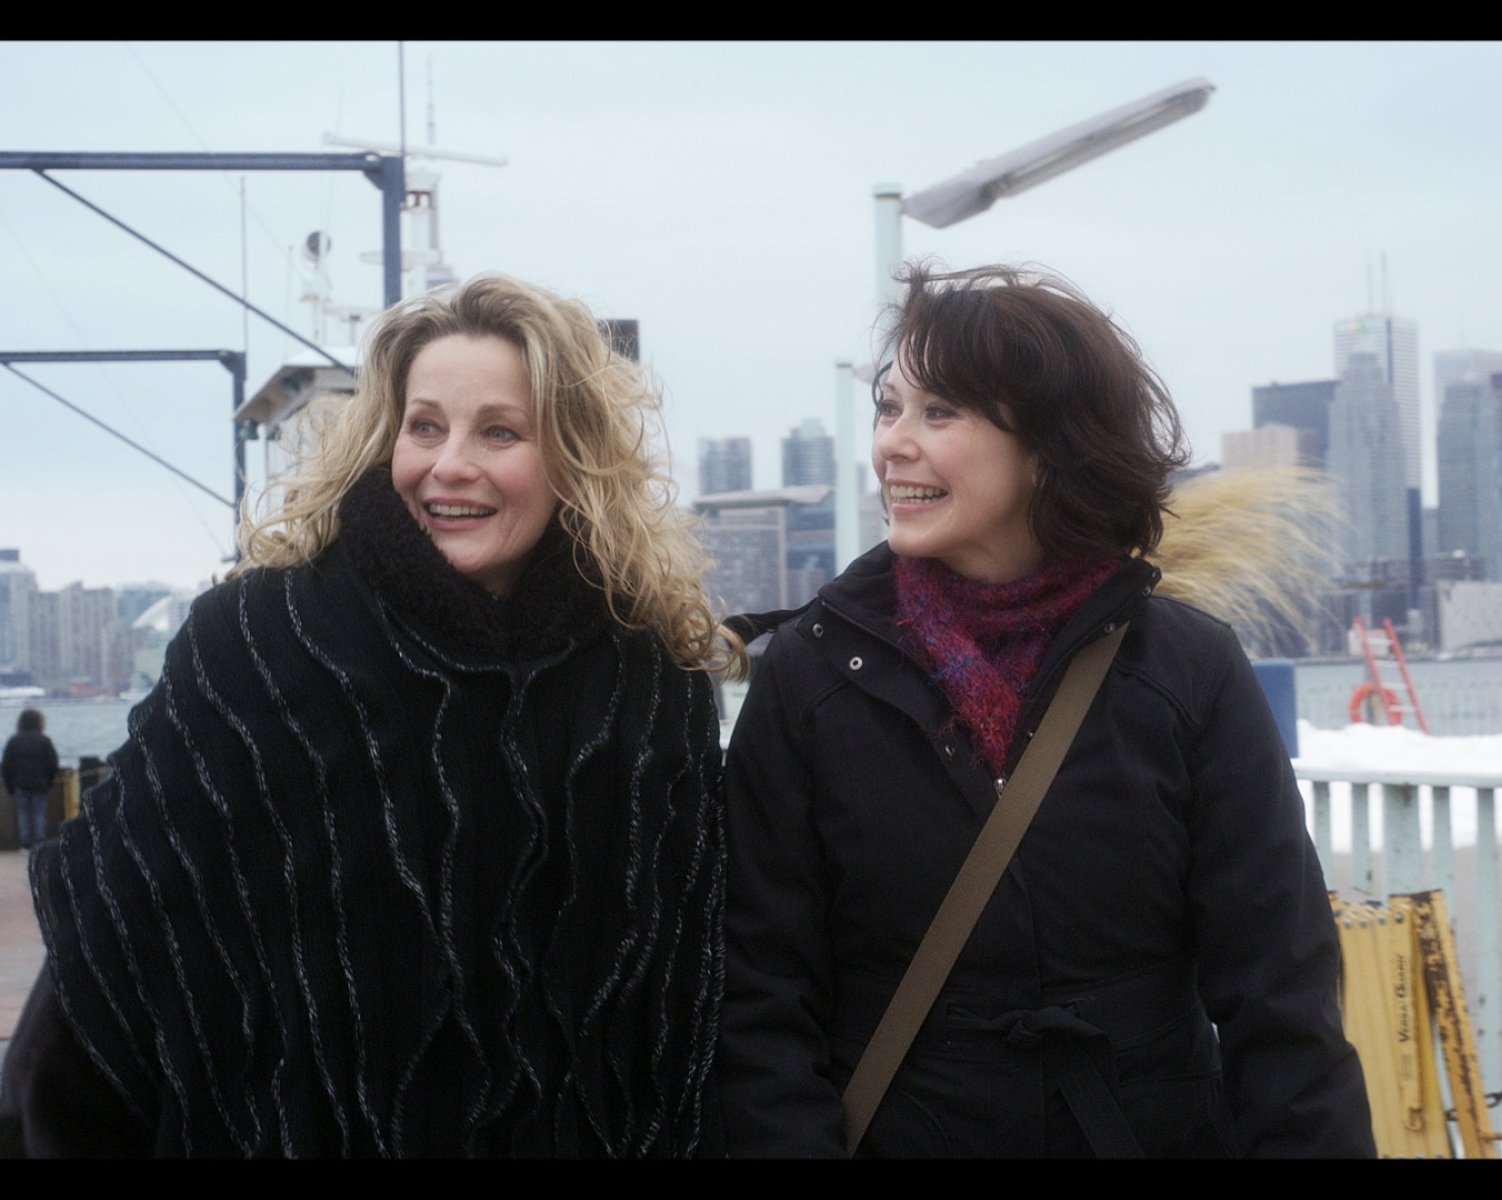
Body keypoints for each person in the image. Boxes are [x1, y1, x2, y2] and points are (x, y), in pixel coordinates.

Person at [0, 275, 735, 1157]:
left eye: (499, 432)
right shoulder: (258, 647)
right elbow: (112, 947)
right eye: (423, 426)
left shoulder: (649, 679)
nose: (448, 464)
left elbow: (693, 991)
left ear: (574, 457)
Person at [718, 264, 1373, 1158]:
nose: (892, 444)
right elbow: (759, 1003)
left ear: (1049, 446)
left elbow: (1281, 1001)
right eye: (889, 407)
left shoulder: (1185, 671)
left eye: (938, 412)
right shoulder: (814, 674)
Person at [2, 709, 58, 851]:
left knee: (23, 814)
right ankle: (39, 843)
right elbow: (53, 763)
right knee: (39, 813)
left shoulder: (14, 741)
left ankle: (25, 844)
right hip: (40, 783)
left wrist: (9, 785)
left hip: (20, 784)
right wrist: (49, 781)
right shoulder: (44, 740)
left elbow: (6, 765)